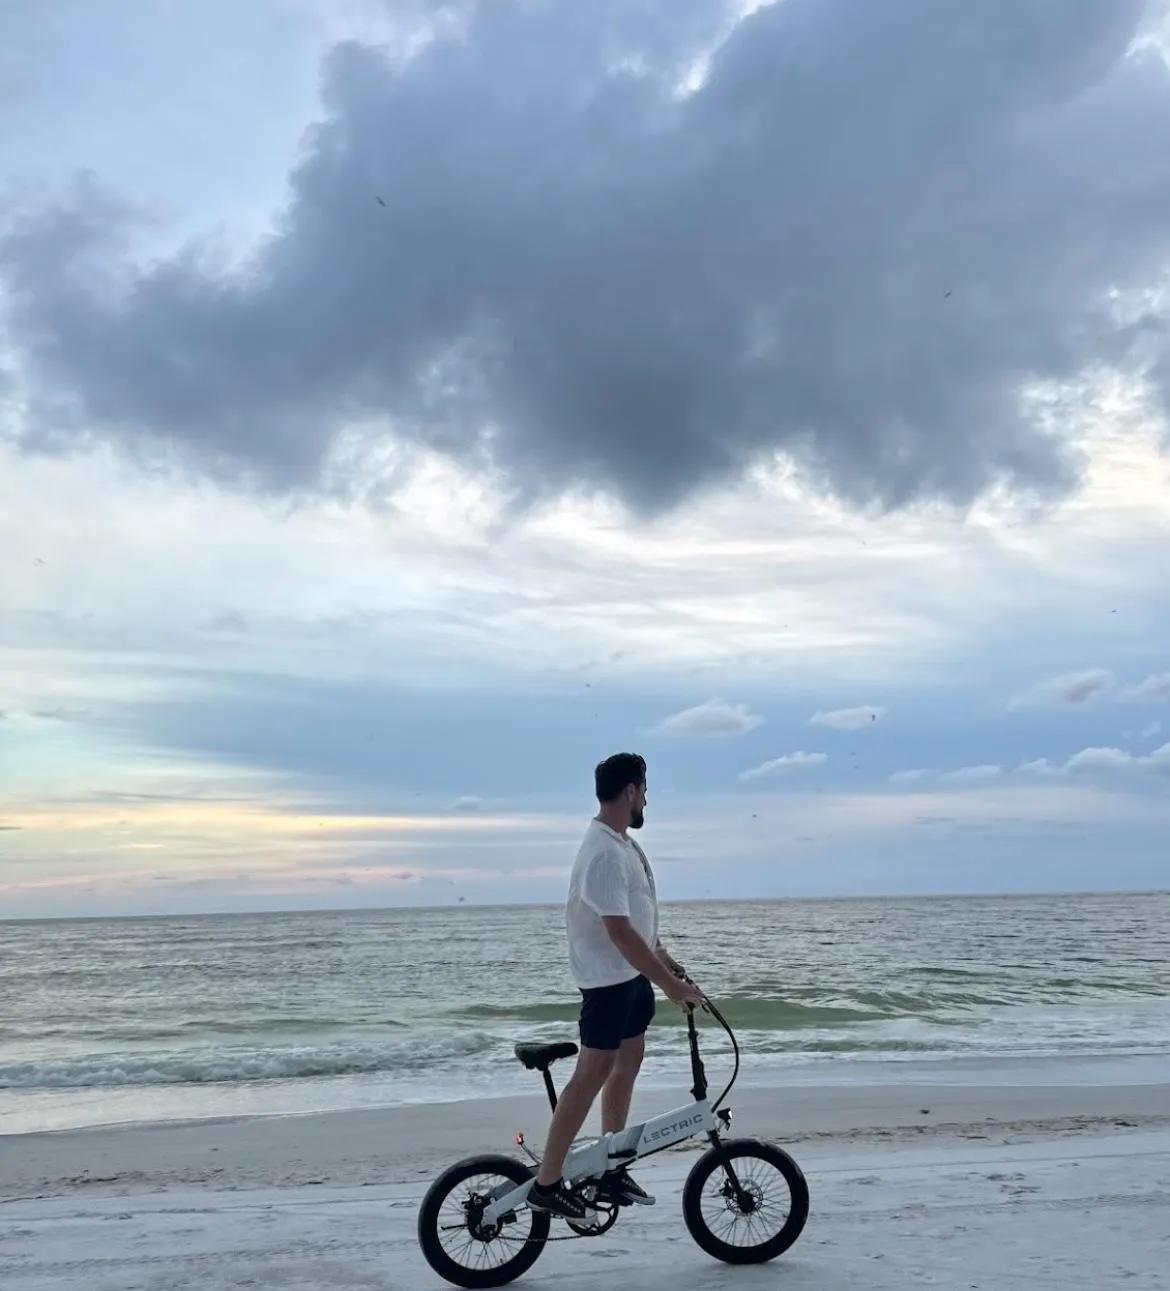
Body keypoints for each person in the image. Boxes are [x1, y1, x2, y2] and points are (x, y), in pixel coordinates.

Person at [527, 752, 705, 1221]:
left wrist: (666, 962)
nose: (647, 798)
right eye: (644, 789)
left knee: (629, 1062)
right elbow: (619, 932)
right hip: (607, 983)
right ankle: (547, 1184)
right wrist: (668, 984)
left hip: (630, 979)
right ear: (630, 791)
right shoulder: (602, 852)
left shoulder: (624, 845)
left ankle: (611, 1165)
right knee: (590, 1075)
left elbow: (640, 921)